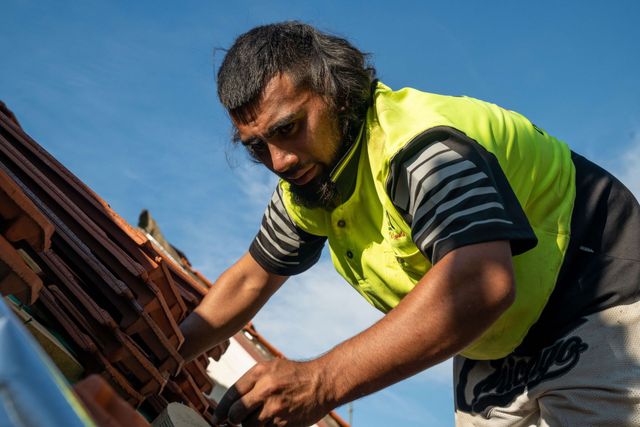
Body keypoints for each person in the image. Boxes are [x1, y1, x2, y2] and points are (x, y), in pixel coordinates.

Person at [178, 21, 640, 427]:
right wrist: (161, 355)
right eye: (256, 146)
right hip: (495, 347)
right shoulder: (311, 180)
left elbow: (480, 285)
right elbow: (249, 280)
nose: (279, 160)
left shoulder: (418, 146)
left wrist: (320, 381)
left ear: (334, 93)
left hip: (595, 297)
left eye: (288, 128)